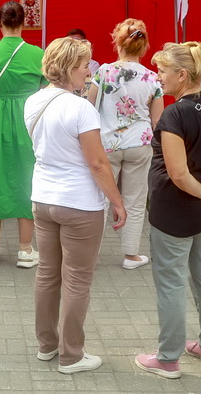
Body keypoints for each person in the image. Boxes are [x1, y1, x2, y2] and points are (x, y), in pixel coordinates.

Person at [26, 37, 126, 374]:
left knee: (47, 274)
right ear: (70, 68)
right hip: (79, 202)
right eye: (85, 66)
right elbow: (97, 163)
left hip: (43, 197)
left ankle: (47, 345)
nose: (89, 72)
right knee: (77, 281)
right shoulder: (81, 108)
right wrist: (117, 200)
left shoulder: (33, 101)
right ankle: (71, 355)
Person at [135, 42, 201, 380]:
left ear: (181, 74)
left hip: (176, 211)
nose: (158, 76)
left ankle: (168, 358)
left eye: (162, 71)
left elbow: (178, 173)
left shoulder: (174, 115)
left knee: (171, 284)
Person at [0, 1, 45, 268]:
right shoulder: (37, 54)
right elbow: (44, 87)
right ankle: (25, 250)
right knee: (27, 177)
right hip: (27, 118)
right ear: (24, 22)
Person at [86, 18, 163, 269]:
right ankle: (131, 255)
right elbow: (157, 120)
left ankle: (90, 255)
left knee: (100, 199)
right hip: (140, 143)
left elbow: (89, 106)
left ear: (117, 42)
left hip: (107, 143)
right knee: (135, 200)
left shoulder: (103, 72)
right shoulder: (153, 78)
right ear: (144, 46)